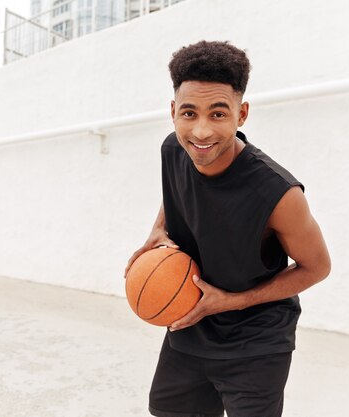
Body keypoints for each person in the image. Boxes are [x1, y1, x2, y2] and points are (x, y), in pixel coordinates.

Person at [124, 41, 331, 417]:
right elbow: (178, 186)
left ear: (242, 113)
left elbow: (317, 267)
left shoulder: (278, 193)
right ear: (173, 112)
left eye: (218, 114)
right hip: (189, 323)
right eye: (189, 113)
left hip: (256, 339)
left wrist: (232, 301)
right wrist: (158, 227)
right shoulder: (174, 149)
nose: (201, 132)